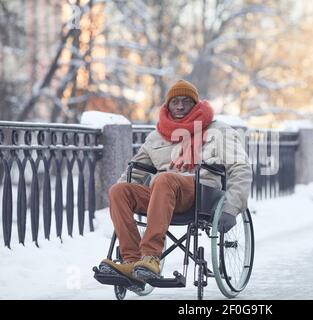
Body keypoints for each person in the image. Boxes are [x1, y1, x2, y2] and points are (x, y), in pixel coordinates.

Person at [100, 79, 252, 282]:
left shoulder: (219, 131)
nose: (179, 106)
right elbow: (134, 170)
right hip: (162, 195)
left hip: (201, 194)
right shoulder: (157, 136)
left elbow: (241, 168)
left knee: (164, 179)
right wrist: (119, 196)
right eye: (175, 101)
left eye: (186, 101)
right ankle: (132, 260)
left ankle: (151, 257)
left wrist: (231, 208)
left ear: (195, 104)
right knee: (119, 191)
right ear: (167, 105)